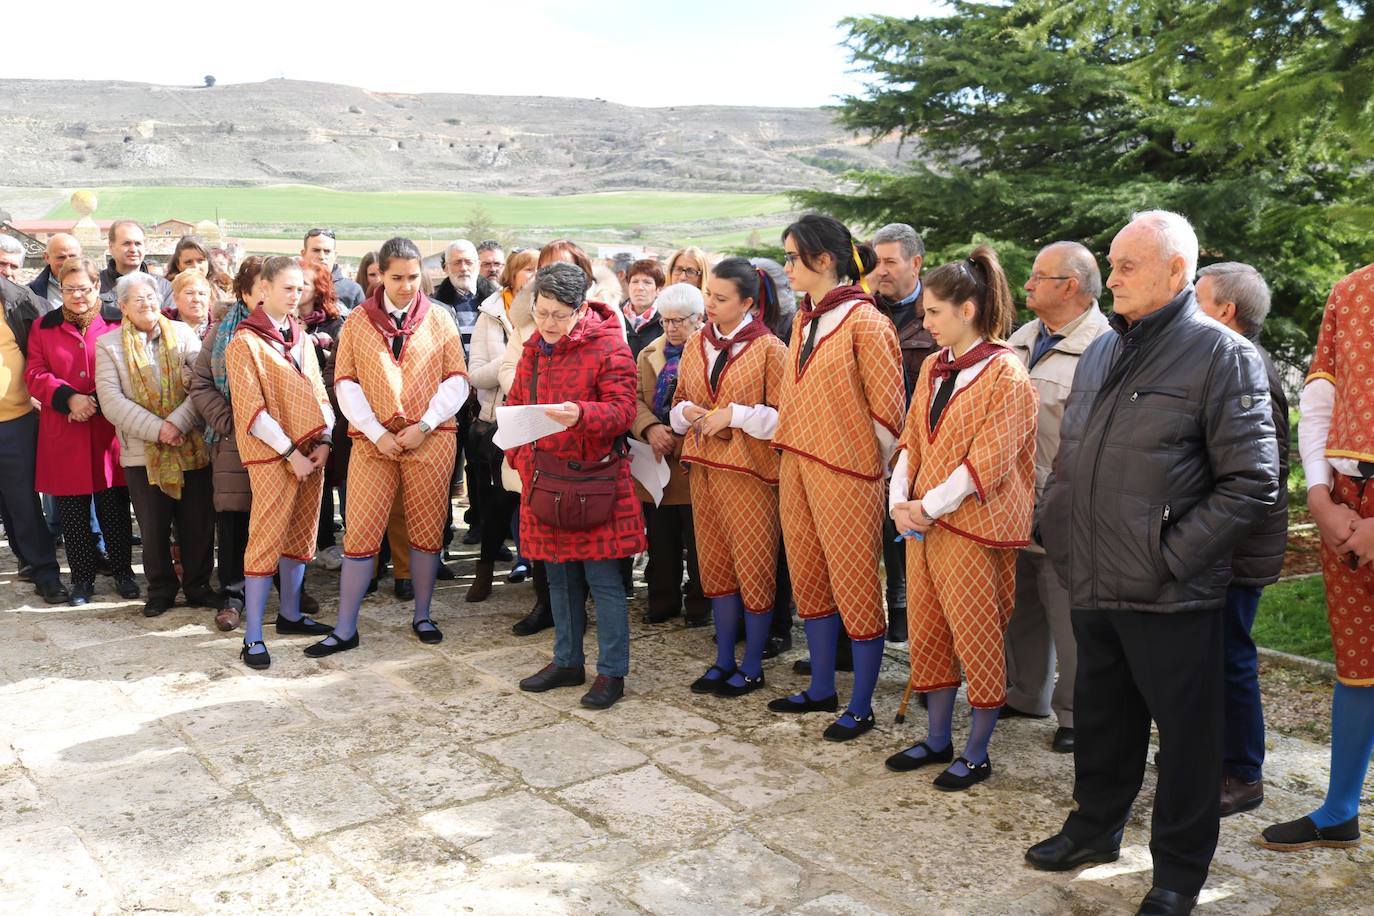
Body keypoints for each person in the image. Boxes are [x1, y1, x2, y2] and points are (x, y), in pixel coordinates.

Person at [1026, 211, 1279, 916]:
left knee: (1189, 740)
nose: (1112, 278)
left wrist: (1168, 557)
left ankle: (1177, 871)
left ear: (1177, 271)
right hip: (1093, 575)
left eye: (1127, 265)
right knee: (1103, 721)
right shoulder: (1106, 348)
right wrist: (1061, 528)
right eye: (1110, 263)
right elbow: (1076, 457)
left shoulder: (1222, 355)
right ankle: (1093, 830)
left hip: (1170, 590)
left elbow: (1252, 483)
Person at [884, 245, 1037, 790]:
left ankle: (977, 752)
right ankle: (937, 737)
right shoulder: (933, 365)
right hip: (925, 525)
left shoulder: (1007, 375)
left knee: (976, 636)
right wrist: (901, 496)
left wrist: (924, 506)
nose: (924, 323)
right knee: (928, 634)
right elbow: (911, 439)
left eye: (932, 313)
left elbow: (987, 464)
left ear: (967, 310)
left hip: (974, 528)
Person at [768, 214, 905, 742]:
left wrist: (857, 465)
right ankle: (822, 686)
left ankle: (862, 704)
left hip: (846, 473)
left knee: (856, 587)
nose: (786, 268)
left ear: (823, 260)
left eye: (791, 257)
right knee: (809, 582)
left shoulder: (867, 322)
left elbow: (889, 413)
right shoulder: (804, 318)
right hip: (797, 463)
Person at [307, 237, 469, 657]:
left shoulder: (440, 319)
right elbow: (346, 383)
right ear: (380, 274)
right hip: (371, 442)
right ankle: (345, 627)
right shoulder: (359, 321)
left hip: (431, 439)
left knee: (427, 531)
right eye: (397, 277)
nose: (406, 285)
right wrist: (377, 432)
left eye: (414, 277)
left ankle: (423, 614)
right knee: (360, 531)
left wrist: (426, 424)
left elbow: (456, 378)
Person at [1259, 259, 1372, 853]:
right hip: (1347, 502)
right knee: (1357, 665)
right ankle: (1339, 809)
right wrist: (1321, 496)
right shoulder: (1351, 290)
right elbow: (1320, 398)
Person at [508, 262, 644, 709]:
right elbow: (516, 406)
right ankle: (566, 661)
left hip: (597, 482)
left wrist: (582, 415)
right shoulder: (533, 346)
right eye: (541, 312)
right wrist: (521, 458)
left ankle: (611, 672)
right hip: (546, 479)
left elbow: (623, 411)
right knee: (559, 576)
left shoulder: (609, 347)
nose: (547, 324)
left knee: (603, 581)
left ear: (580, 309)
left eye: (558, 315)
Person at [1003, 241, 1111, 754]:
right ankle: (1026, 693)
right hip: (1010, 497)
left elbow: (1094, 439)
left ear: (1069, 286)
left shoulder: (1104, 346)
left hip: (1063, 501)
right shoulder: (1024, 337)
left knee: (1066, 608)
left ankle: (1076, 713)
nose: (1027, 284)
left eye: (1038, 276)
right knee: (1020, 600)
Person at [1191, 261, 1289, 817]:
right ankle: (1215, 754)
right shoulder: (1222, 361)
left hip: (1233, 549)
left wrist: (1211, 537)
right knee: (1210, 656)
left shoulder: (1249, 368)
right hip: (1217, 545)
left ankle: (1244, 773)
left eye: (1197, 298)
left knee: (1231, 657)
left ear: (1226, 311)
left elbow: (1260, 476)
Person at [674, 259, 788, 694]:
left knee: (755, 567)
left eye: (721, 299)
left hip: (750, 477)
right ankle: (723, 659)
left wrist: (735, 415)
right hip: (704, 470)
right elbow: (681, 399)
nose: (710, 305)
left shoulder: (770, 349)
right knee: (715, 567)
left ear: (747, 302)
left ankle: (753, 663)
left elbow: (783, 418)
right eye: (708, 295)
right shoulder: (695, 345)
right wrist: (685, 412)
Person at [223, 256, 336, 668]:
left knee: (301, 536)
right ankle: (252, 636)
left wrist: (325, 438)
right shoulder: (244, 344)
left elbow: (319, 393)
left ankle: (289, 614)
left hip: (309, 453)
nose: (295, 295)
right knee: (265, 539)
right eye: (287, 287)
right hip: (272, 456)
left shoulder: (302, 338)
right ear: (264, 289)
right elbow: (251, 412)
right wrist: (290, 454)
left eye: (300, 287)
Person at [95, 273, 224, 618]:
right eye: (137, 300)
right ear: (122, 307)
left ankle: (198, 586)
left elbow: (201, 384)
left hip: (190, 444)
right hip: (142, 451)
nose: (147, 304)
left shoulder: (183, 334)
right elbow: (111, 401)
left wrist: (177, 424)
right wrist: (159, 430)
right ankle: (161, 589)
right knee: (152, 526)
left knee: (197, 522)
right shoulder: (108, 346)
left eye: (151, 297)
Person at [499, 239, 602, 636]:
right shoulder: (529, 321)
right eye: (547, 268)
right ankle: (545, 604)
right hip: (534, 432)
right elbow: (511, 369)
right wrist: (537, 398)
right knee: (539, 527)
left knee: (581, 533)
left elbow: (616, 388)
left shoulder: (597, 327)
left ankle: (578, 612)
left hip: (579, 441)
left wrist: (571, 406)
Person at [24, 257, 139, 606]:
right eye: (70, 289)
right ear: (61, 290)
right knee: (73, 511)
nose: (78, 295)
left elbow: (131, 368)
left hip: (108, 428)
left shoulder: (117, 322)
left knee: (114, 506)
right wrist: (68, 397)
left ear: (97, 288)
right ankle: (82, 580)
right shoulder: (44, 327)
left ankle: (123, 573)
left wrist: (98, 401)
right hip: (66, 429)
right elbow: (35, 372)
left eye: (84, 288)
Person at [189, 257, 273, 631]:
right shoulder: (223, 330)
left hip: (281, 442)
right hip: (235, 442)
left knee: (277, 517)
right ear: (245, 292)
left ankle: (286, 589)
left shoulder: (289, 329)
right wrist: (230, 422)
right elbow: (201, 384)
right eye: (262, 289)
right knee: (235, 520)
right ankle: (233, 595)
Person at [870, 223, 939, 646]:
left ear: (915, 263)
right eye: (876, 262)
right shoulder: (863, 310)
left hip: (917, 451)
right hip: (868, 449)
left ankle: (918, 639)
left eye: (890, 261)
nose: (881, 271)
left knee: (911, 550)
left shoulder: (935, 312)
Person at [633, 282, 709, 626]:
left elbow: (712, 408)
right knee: (660, 540)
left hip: (694, 459)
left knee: (699, 544)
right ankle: (662, 600)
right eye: (665, 321)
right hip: (656, 459)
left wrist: (677, 439)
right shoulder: (649, 352)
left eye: (679, 321)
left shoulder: (710, 353)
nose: (671, 328)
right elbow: (633, 399)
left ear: (699, 319)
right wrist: (651, 428)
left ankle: (700, 605)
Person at [466, 248, 538, 602]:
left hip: (538, 419)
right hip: (498, 419)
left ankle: (539, 574)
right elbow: (476, 374)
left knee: (537, 499)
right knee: (500, 499)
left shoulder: (551, 313)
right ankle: (483, 570)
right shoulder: (491, 313)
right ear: (513, 274)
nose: (534, 276)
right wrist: (512, 361)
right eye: (528, 270)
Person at [0, 271, 67, 603]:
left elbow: (43, 346)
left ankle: (44, 571)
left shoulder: (16, 298)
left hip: (13, 421)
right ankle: (26, 558)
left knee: (23, 501)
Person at [98, 220, 172, 320]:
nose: (133, 249)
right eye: (126, 243)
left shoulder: (164, 288)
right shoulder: (95, 286)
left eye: (138, 244)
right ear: (111, 247)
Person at [301, 228, 364, 312]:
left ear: (335, 256)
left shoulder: (352, 291)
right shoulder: (294, 286)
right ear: (303, 254)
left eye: (327, 251)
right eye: (316, 250)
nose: (322, 257)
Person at [164, 235, 232, 306]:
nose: (196, 267)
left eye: (200, 261)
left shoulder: (221, 290)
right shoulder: (167, 293)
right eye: (188, 262)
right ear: (178, 265)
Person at [620, 259, 664, 358]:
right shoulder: (615, 316)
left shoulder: (666, 320)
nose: (639, 287)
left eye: (647, 282)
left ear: (659, 290)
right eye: (635, 282)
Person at [28, 233, 83, 307]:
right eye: (61, 257)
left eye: (72, 256)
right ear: (47, 257)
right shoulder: (31, 293)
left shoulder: (98, 284)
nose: (67, 262)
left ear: (81, 255)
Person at [168, 271, 213, 339]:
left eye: (202, 294)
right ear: (175, 297)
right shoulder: (162, 325)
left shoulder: (222, 327)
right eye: (189, 293)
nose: (197, 299)